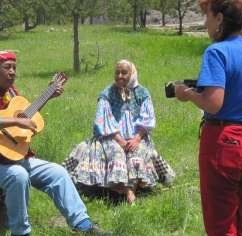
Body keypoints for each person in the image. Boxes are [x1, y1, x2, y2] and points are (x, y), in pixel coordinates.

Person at [0, 50, 107, 236]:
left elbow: (23, 119)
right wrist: (16, 121)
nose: (12, 72)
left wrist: (47, 96)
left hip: (13, 156)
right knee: (18, 176)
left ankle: (83, 225)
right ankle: (21, 232)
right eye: (7, 67)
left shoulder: (10, 94)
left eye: (14, 67)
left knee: (58, 172)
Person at [175, 0, 242, 236]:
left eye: (207, 15)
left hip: (224, 145)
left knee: (221, 225)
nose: (205, 22)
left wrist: (186, 94)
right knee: (240, 218)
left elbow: (213, 103)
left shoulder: (216, 52)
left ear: (219, 18)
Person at [63, 60, 175, 204]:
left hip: (136, 137)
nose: (120, 76)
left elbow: (148, 118)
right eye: (117, 72)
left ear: (132, 73)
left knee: (138, 151)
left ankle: (131, 192)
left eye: (124, 72)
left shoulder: (142, 92)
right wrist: (120, 139)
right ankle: (117, 190)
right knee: (116, 152)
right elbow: (103, 120)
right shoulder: (107, 93)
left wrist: (136, 139)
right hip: (110, 137)